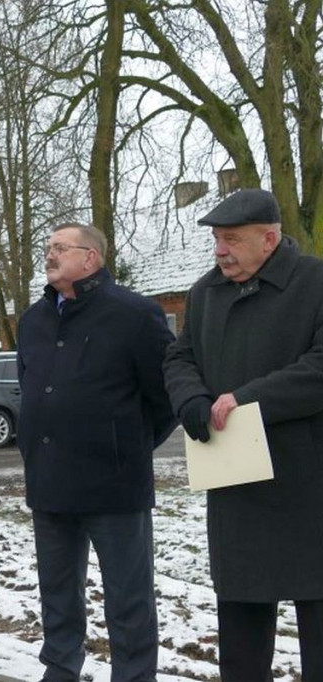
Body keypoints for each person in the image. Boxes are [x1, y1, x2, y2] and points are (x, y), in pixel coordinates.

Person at [163, 188, 323, 680]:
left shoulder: (316, 282)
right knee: (242, 625)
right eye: (216, 239)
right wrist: (190, 399)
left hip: (308, 480)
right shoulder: (205, 292)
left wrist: (249, 400)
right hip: (237, 485)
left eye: (232, 239)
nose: (220, 251)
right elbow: (179, 356)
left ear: (270, 239)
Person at [15, 222, 176, 681]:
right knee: (58, 596)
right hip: (48, 483)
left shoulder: (135, 313)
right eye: (47, 247)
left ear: (91, 258)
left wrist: (126, 445)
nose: (49, 255)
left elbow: (165, 398)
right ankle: (61, 670)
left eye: (60, 248)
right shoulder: (33, 320)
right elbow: (32, 388)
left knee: (129, 599)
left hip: (115, 486)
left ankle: (134, 675)